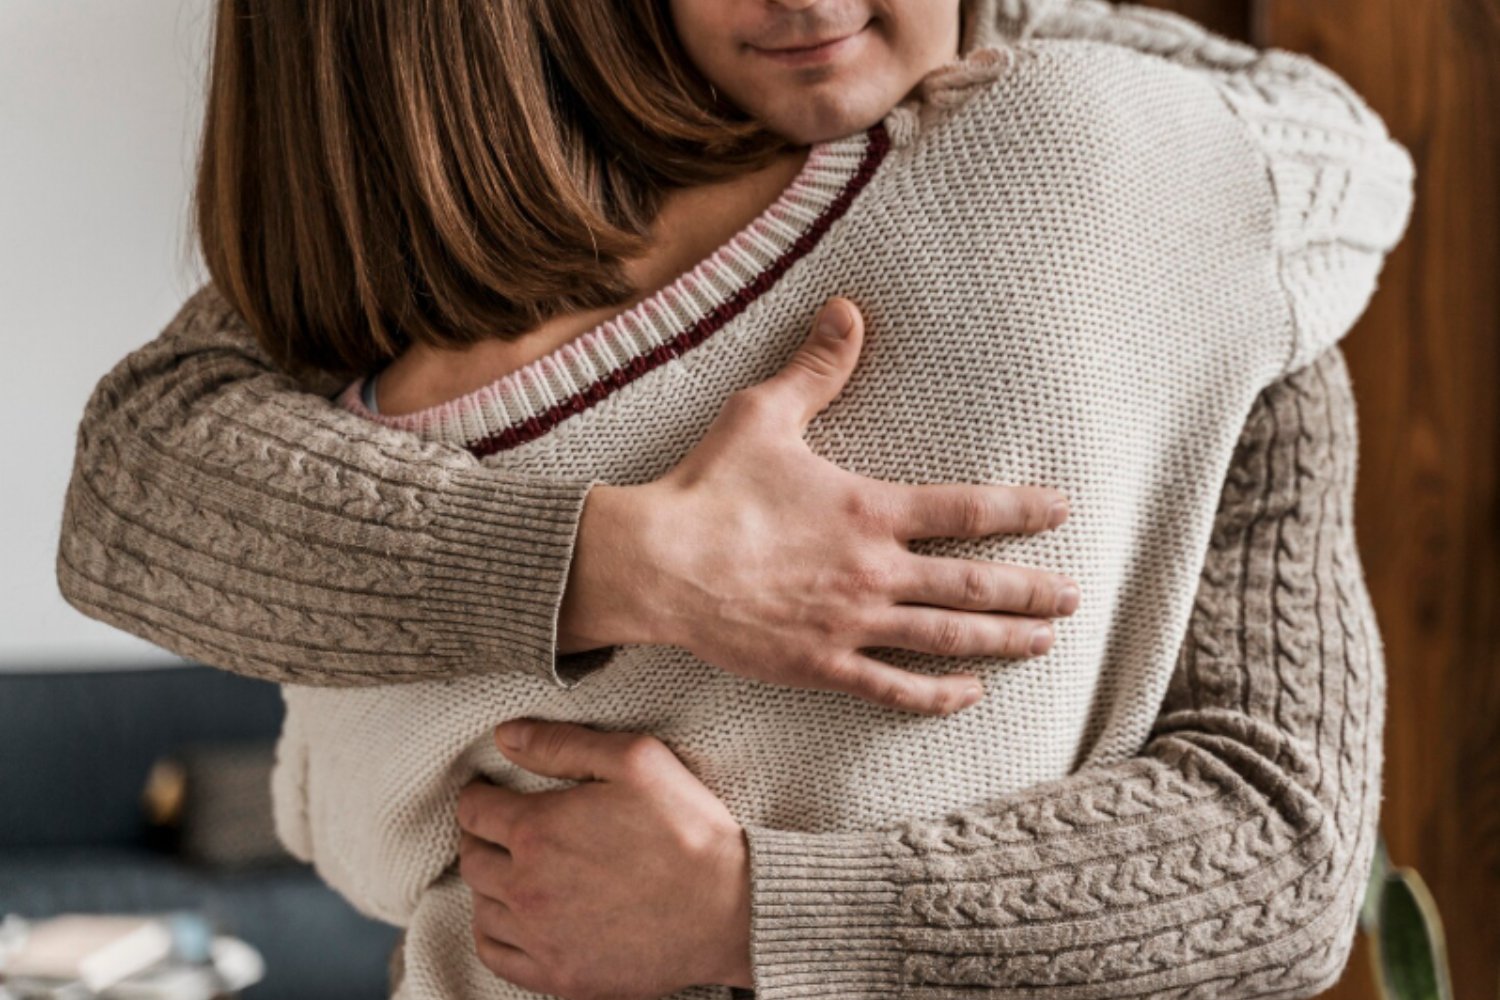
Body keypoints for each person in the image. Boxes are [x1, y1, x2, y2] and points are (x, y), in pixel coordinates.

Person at [56, 1, 1415, 998]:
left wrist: (754, 909)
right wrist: (629, 559)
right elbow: (131, 485)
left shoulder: (1205, 244)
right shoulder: (480, 264)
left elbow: (1281, 857)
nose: (809, 5)